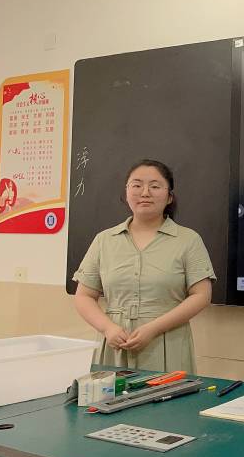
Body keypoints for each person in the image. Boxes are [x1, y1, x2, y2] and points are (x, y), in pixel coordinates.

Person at [72, 159, 215, 373]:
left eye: (155, 186)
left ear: (169, 196)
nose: (145, 193)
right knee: (109, 394)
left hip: (167, 341)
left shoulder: (188, 240)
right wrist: (108, 328)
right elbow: (83, 296)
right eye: (137, 185)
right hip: (114, 344)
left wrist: (154, 328)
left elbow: (201, 296)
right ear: (126, 192)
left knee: (166, 395)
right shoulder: (104, 240)